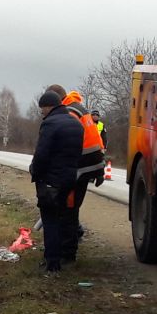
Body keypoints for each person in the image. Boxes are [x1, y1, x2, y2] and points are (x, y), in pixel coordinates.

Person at [30, 88, 83, 274]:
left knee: (50, 220)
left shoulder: (50, 124)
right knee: (63, 218)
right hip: (69, 180)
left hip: (50, 181)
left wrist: (34, 172)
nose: (42, 113)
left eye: (42, 109)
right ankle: (64, 255)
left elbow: (41, 154)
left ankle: (52, 263)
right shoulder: (76, 123)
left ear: (48, 106)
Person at [60, 90, 106, 263]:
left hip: (80, 168)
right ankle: (75, 233)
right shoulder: (80, 108)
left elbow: (69, 141)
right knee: (72, 207)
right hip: (92, 164)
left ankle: (68, 253)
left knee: (69, 208)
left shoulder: (70, 112)